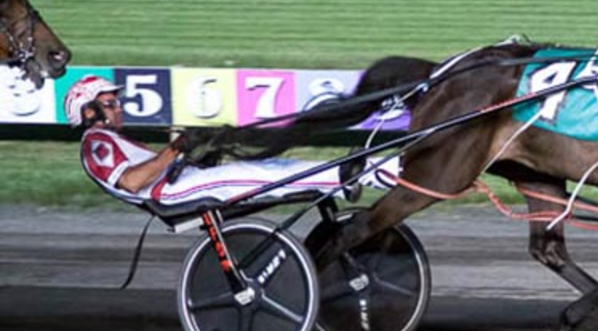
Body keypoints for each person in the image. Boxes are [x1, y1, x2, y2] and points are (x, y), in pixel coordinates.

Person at [64, 75, 384, 207]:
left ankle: (339, 177)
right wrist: (177, 148)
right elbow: (133, 182)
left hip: (178, 182)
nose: (118, 108)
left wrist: (191, 152)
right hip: (171, 192)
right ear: (89, 112)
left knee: (271, 166)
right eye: (109, 104)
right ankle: (341, 177)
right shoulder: (97, 143)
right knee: (255, 175)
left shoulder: (110, 141)